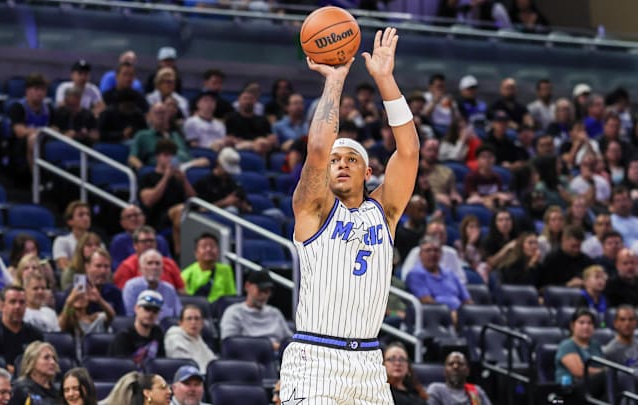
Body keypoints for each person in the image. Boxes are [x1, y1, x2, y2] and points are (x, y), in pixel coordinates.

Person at [279, 27, 419, 404]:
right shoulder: (311, 210)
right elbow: (319, 147)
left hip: (370, 362)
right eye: (336, 161)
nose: (340, 164)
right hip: (315, 357)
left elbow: (408, 153)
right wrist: (336, 80)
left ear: (367, 172)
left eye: (352, 159)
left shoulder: (384, 211)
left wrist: (386, 81)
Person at [137, 139, 198, 256]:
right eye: (165, 155)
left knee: (185, 212)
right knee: (180, 210)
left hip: (179, 217)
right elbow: (148, 201)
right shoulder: (148, 177)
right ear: (157, 157)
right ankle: (179, 253)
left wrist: (184, 179)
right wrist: (166, 177)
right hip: (157, 217)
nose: (169, 159)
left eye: (172, 155)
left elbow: (194, 200)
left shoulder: (177, 179)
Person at [220, 270, 291, 351]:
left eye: (267, 291)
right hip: (248, 358)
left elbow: (289, 339)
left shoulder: (275, 313)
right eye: (261, 290)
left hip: (279, 358)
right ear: (247, 286)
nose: (264, 295)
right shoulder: (234, 313)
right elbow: (229, 343)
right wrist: (270, 346)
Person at [0, 285, 44, 368]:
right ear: (3, 306)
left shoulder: (35, 334)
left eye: (22, 302)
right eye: (12, 302)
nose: (18, 306)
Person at [406, 237, 472, 315]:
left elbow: (467, 300)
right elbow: (426, 300)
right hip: (435, 316)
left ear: (441, 254)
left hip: (460, 314)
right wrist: (450, 314)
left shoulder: (450, 273)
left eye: (436, 250)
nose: (433, 254)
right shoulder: (415, 274)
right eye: (428, 250)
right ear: (420, 254)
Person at [59, 268, 115, 358]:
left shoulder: (98, 318)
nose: (81, 297)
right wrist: (69, 303)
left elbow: (111, 315)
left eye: (84, 294)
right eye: (77, 295)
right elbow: (61, 326)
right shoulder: (70, 321)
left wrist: (99, 300)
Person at [555, 308, 605, 400]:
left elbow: (603, 365)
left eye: (589, 323)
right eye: (581, 323)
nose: (586, 326)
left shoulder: (595, 345)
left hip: (594, 389)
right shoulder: (567, 345)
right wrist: (604, 372)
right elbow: (580, 371)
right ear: (572, 325)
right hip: (571, 390)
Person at [114, 226, 184, 292]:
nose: (149, 244)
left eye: (151, 240)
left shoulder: (169, 263)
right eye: (144, 241)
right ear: (135, 245)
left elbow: (182, 290)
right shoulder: (127, 267)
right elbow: (122, 294)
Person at [8, 73, 54, 170]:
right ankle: (35, 176)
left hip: (44, 141)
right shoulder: (18, 107)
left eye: (43, 90)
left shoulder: (49, 108)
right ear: (27, 90)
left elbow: (55, 128)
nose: (40, 93)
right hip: (21, 145)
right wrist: (40, 131)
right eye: (36, 89)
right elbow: (19, 132)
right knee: (33, 139)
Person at [109, 289, 165, 364]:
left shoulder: (158, 333)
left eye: (155, 311)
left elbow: (160, 362)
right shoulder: (123, 337)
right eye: (147, 309)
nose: (150, 314)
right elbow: (120, 367)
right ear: (136, 308)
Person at [122, 249, 181, 320]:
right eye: (149, 263)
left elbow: (179, 315)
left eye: (157, 263)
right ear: (141, 268)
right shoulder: (132, 287)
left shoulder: (169, 289)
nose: (154, 267)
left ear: (162, 269)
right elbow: (129, 316)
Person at [109, 205, 171, 270]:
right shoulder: (119, 241)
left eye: (136, 215)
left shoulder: (159, 240)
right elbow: (117, 267)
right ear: (122, 223)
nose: (133, 219)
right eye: (129, 216)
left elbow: (168, 264)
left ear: (144, 218)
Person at [193, 147, 252, 214]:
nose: (228, 173)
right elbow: (197, 210)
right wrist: (223, 203)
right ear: (219, 163)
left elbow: (249, 208)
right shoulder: (203, 183)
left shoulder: (235, 184)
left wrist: (241, 205)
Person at [180, 233, 236, 302]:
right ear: (196, 253)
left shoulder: (226, 270)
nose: (208, 249)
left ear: (218, 252)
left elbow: (231, 296)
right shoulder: (186, 274)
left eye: (212, 246)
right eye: (204, 247)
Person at [427, 351, 492, 405]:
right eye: (451, 364)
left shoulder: (476, 390)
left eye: (460, 364)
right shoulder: (436, 389)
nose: (455, 366)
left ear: (467, 371)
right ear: (445, 371)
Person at [164, 305, 215, 372]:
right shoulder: (174, 339)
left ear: (202, 323)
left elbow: (212, 360)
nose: (193, 322)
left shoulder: (197, 337)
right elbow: (186, 368)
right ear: (180, 323)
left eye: (197, 318)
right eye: (189, 318)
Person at [464, 145, 514, 209]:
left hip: (494, 206)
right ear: (477, 160)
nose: (487, 160)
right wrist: (495, 195)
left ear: (494, 159)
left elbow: (500, 195)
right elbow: (475, 198)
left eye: (490, 156)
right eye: (483, 157)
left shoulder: (497, 177)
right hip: (477, 207)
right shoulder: (471, 177)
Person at [605, 249, 638, 314]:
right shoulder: (611, 284)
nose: (630, 266)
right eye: (625, 263)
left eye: (632, 263)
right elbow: (611, 309)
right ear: (617, 265)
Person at [53, 201, 93, 272]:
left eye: (88, 214)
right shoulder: (62, 241)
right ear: (70, 221)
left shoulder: (97, 242)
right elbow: (64, 267)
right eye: (81, 215)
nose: (86, 217)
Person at [85, 249, 124, 316]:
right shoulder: (75, 290)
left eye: (106, 266)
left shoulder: (115, 292)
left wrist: (100, 301)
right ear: (87, 267)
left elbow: (122, 320)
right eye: (98, 266)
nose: (103, 271)